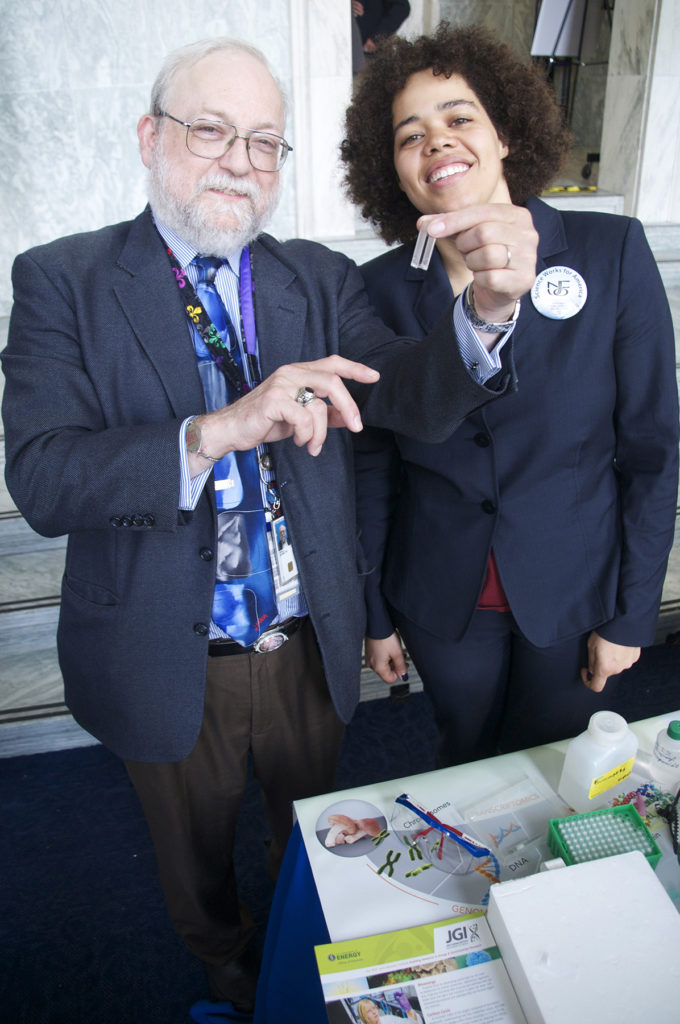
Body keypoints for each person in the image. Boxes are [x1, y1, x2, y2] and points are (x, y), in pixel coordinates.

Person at [1, 35, 537, 1013]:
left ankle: (298, 946)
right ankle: (225, 964)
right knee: (193, 859)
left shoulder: (312, 276)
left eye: (264, 142)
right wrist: (216, 430)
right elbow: (43, 477)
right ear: (149, 136)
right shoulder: (60, 280)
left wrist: (486, 315)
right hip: (165, 649)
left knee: (309, 837)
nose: (239, 161)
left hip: (307, 639)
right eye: (211, 131)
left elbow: (400, 389)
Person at [340, 23, 679, 767]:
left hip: (575, 588)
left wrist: (631, 615)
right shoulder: (374, 291)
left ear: (504, 137)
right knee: (463, 753)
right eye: (409, 135)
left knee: (559, 763)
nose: (437, 142)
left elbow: (653, 452)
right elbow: (372, 467)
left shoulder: (610, 252)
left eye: (459, 118)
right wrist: (374, 613)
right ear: (389, 169)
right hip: (439, 597)